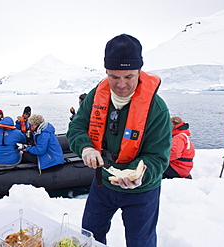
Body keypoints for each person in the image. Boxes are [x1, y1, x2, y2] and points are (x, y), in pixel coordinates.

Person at [66, 34, 172, 246]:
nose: (121, 84)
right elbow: (76, 127)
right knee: (89, 235)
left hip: (141, 191)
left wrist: (140, 174)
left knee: (140, 241)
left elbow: (158, 158)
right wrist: (85, 147)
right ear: (106, 72)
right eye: (114, 77)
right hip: (103, 183)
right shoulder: (96, 96)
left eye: (129, 77)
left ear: (139, 72)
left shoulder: (157, 109)